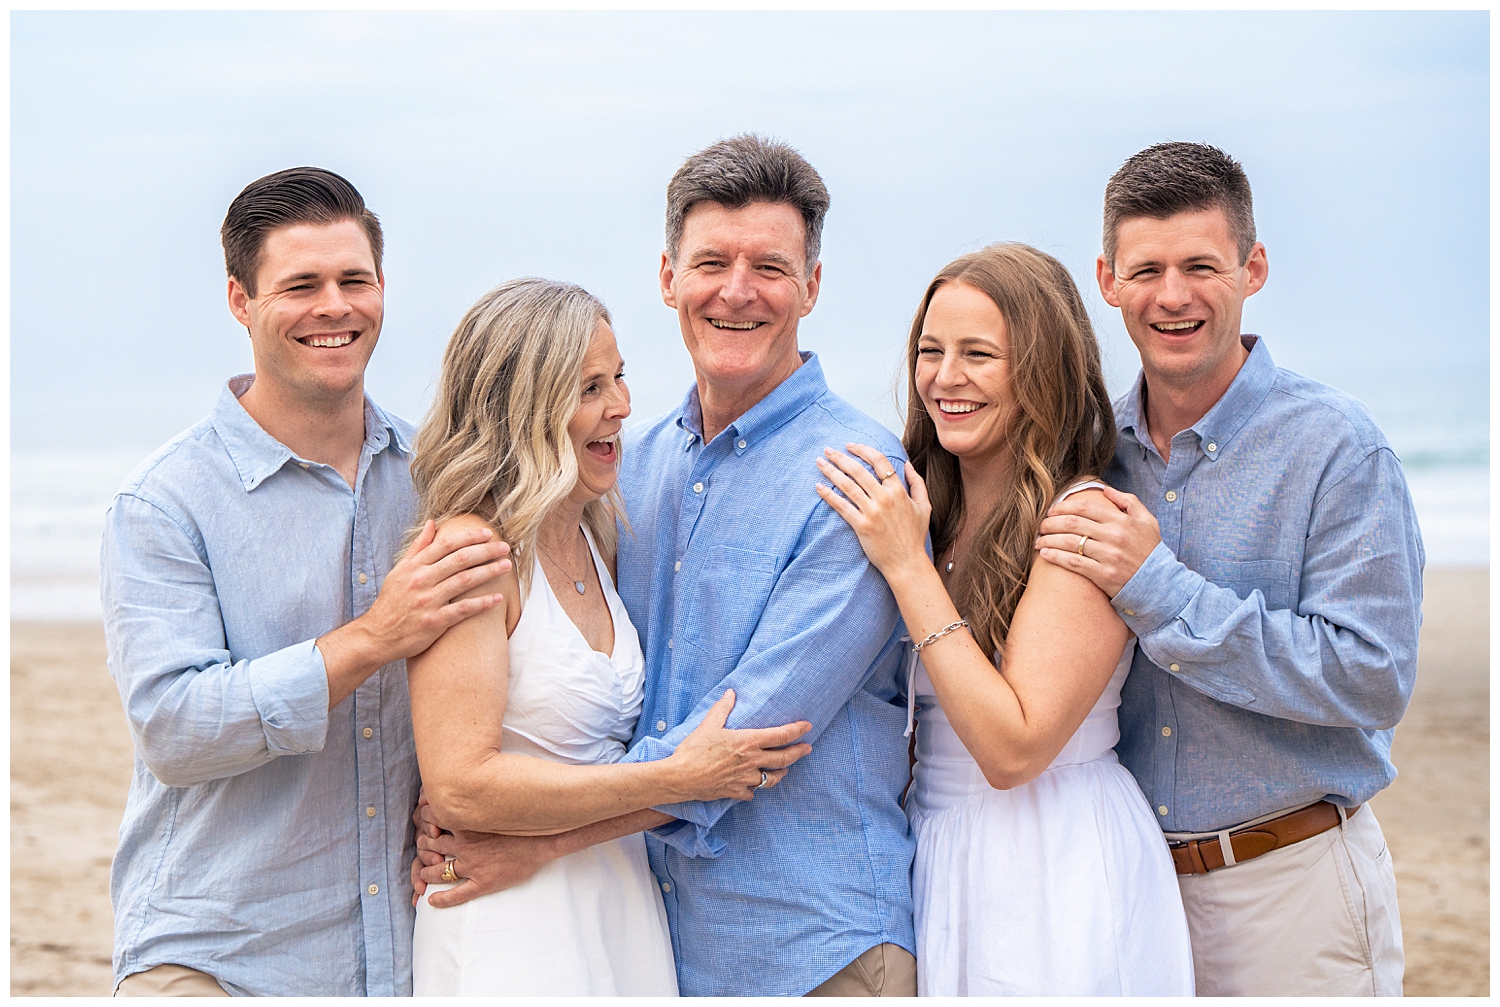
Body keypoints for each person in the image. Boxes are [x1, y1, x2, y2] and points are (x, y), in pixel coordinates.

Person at [412, 134, 917, 997]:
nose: (737, 290)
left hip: (811, 939)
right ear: (668, 276)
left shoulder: (859, 476)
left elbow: (747, 741)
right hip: (653, 936)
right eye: (711, 261)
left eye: (769, 265)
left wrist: (534, 843)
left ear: (812, 286)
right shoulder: (623, 468)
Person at [100, 167, 511, 997]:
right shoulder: (165, 501)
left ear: (383, 289)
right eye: (301, 285)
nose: (335, 307)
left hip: (403, 951)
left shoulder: (441, 477)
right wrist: (372, 638)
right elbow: (173, 728)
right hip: (218, 953)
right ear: (240, 302)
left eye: (354, 280)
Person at [1034, 141, 1422, 996]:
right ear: (1106, 279)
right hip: (1129, 893)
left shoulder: (1339, 449)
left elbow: (1373, 676)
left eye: (1201, 265)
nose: (1172, 296)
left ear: (1253, 269)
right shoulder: (1088, 452)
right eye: (1146, 269)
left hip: (1294, 885)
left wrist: (1157, 587)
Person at [403, 277, 814, 995]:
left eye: (618, 376)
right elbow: (461, 784)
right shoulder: (475, 552)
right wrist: (675, 779)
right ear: (526, 405)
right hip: (511, 920)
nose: (621, 405)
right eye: (590, 387)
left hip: (619, 902)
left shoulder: (597, 533)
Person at [817, 242, 1195, 995]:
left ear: (1040, 369)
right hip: (940, 851)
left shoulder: (1079, 519)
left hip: (1052, 862)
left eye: (979, 354)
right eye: (931, 350)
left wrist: (905, 567)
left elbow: (1013, 748)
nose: (945, 377)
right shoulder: (933, 510)